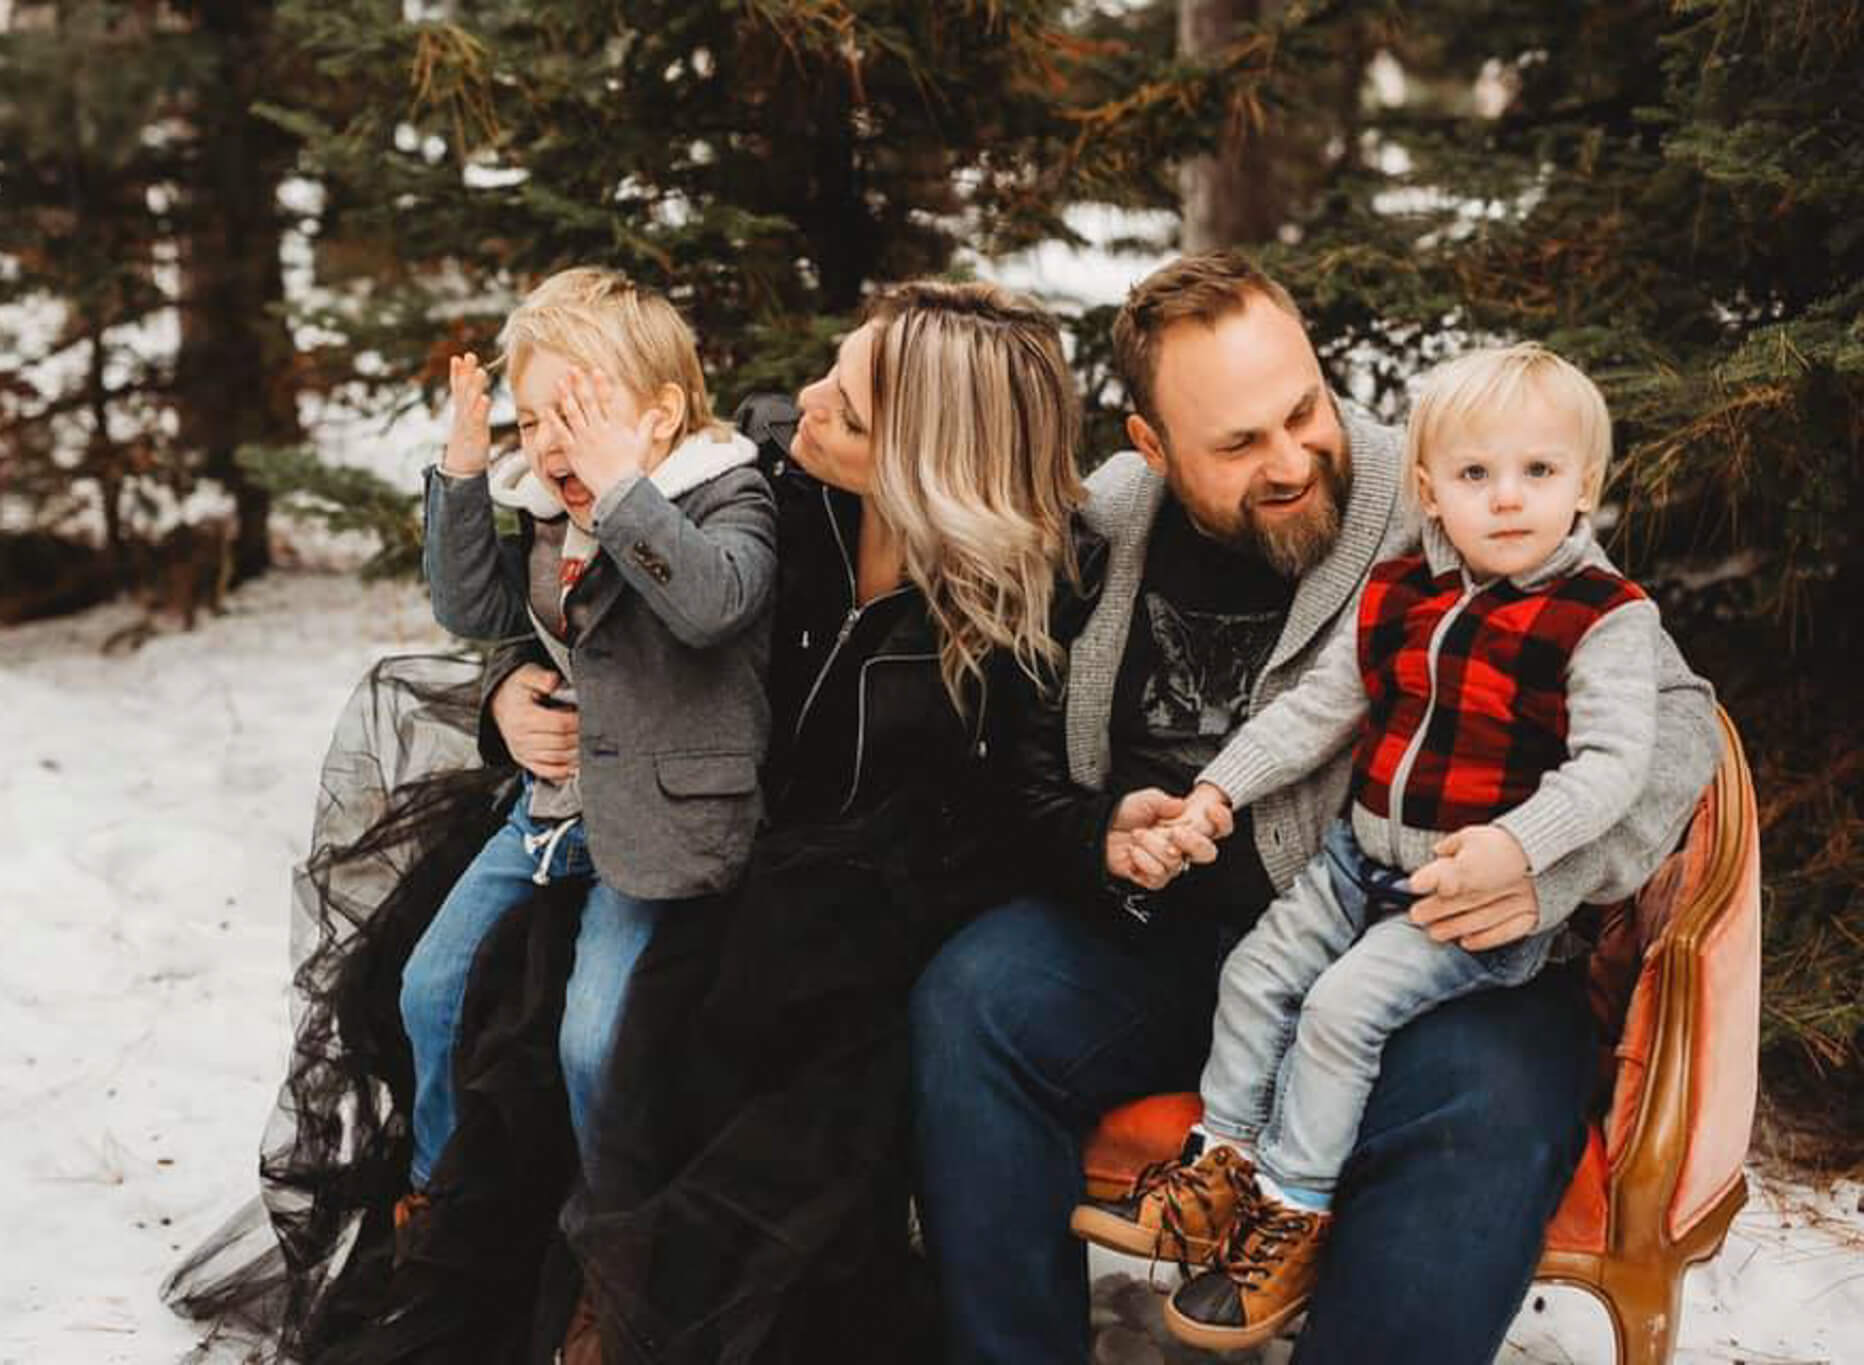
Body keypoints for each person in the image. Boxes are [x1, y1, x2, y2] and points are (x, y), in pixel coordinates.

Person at [909, 253, 1721, 1364]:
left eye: (1305, 410)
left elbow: (1674, 718)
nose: (1291, 460)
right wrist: (1098, 834)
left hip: (1438, 938)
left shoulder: (1441, 486)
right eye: (1239, 445)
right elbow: (1009, 731)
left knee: (1479, 1113)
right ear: (1152, 446)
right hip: (1181, 944)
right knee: (974, 997)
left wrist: (1548, 872)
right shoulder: (1108, 517)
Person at [487, 279, 1091, 1364]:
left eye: (847, 410)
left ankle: (694, 1308)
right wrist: (500, 695)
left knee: (796, 1041)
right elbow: (579, 601)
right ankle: (624, 1289)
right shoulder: (779, 492)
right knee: (619, 1006)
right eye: (832, 367)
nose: (802, 399)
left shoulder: (1014, 610)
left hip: (882, 906)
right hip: (717, 840)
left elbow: (1026, 813)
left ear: (924, 465)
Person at [1068, 343, 1666, 1351]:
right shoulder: (1399, 592)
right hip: (1356, 863)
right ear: (1429, 491)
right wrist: (1215, 788)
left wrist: (1518, 852)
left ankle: (1290, 1210)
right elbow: (1316, 712)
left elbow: (1614, 764)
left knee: (1339, 1012)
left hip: (1458, 897)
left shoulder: (1600, 618)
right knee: (1257, 975)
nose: (1508, 500)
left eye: (1539, 474)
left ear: (1585, 488)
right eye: (1476, 476)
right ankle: (1217, 1172)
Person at [405, 266, 776, 1228]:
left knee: (594, 1038)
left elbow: (710, 605)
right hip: (555, 806)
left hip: (665, 827)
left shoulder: (724, 492)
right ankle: (444, 1201)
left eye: (580, 411)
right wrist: (463, 466)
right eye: (532, 419)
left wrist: (618, 495)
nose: (552, 441)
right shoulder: (545, 509)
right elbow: (477, 610)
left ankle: (618, 1236)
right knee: (431, 986)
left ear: (659, 415)